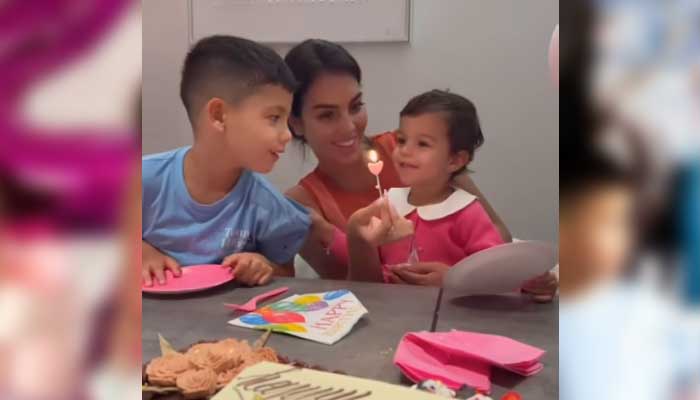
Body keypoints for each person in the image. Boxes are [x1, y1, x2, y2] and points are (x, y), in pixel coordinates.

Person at [142, 36, 310, 287]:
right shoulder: (141, 180)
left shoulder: (268, 206)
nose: (287, 134)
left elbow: (285, 271)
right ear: (219, 115)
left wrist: (263, 266)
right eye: (274, 117)